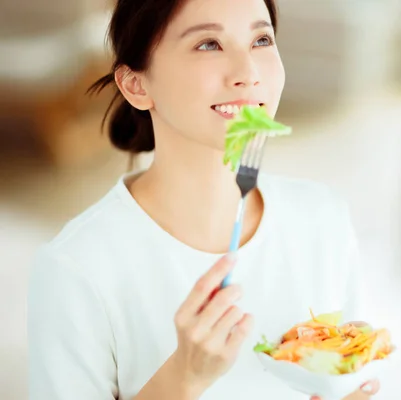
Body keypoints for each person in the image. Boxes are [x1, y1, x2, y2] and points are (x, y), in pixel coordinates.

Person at [27, 0, 382, 399]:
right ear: (136, 85)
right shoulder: (76, 270)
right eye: (209, 44)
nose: (248, 73)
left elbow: (352, 369)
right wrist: (182, 378)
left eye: (261, 39)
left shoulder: (323, 219)